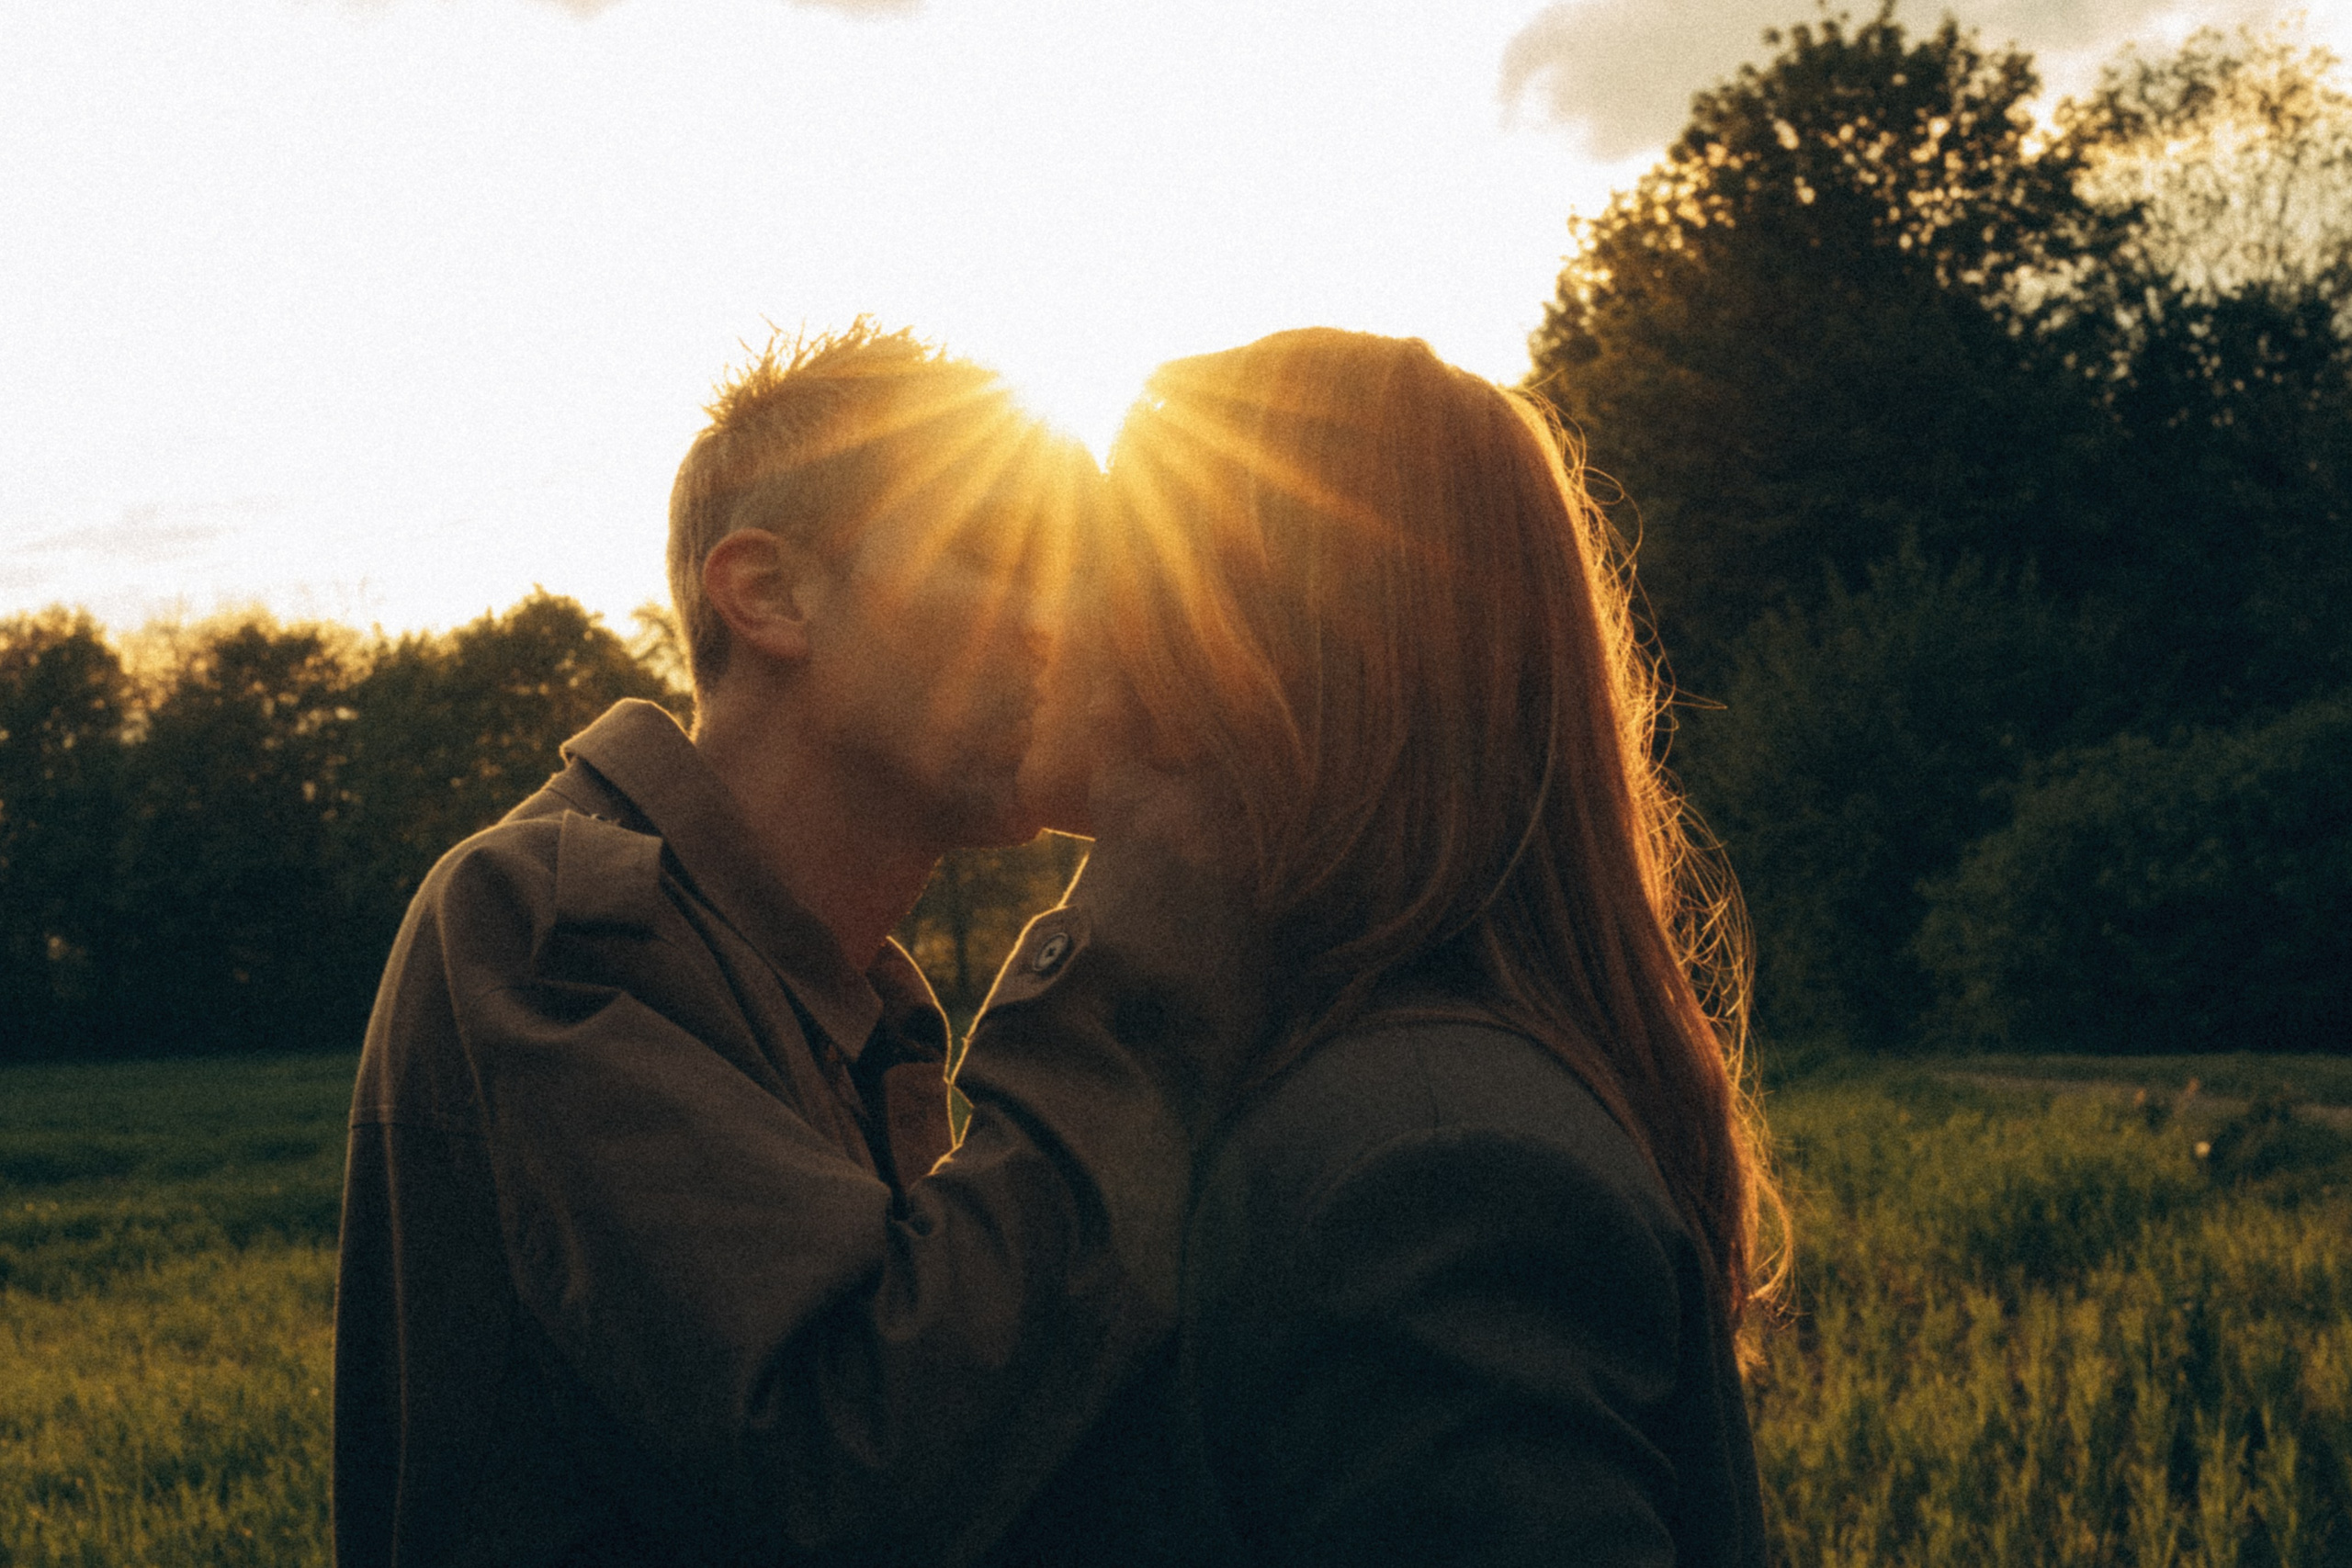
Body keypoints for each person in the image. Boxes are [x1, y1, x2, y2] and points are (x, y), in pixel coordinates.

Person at [333, 322, 1227, 1568]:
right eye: (1004, 556)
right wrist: (1156, 909)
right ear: (768, 595)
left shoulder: (854, 995)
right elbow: (856, 1465)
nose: (1062, 624)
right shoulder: (552, 925)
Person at [989, 328, 1783, 1567]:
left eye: (1088, 556)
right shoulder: (1360, 1101)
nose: (1038, 615)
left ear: (1235, 640)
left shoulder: (1425, 1166)